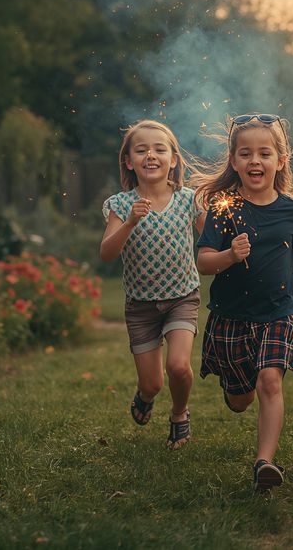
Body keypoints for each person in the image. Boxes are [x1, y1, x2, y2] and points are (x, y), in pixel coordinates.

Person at [193, 113, 293, 492]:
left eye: (264, 153)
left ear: (280, 160)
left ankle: (264, 462)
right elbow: (204, 262)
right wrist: (230, 256)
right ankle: (236, 389)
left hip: (279, 312)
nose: (255, 161)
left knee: (271, 380)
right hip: (231, 317)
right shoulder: (223, 208)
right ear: (234, 161)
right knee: (240, 400)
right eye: (246, 153)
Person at [98, 119, 203, 450]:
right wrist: (130, 221)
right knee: (153, 383)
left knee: (179, 366)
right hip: (141, 306)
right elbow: (106, 253)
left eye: (160, 149)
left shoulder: (188, 200)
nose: (151, 155)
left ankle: (180, 413)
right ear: (129, 161)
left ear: (173, 159)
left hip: (182, 298)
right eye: (141, 150)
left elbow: (213, 238)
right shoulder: (120, 204)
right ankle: (145, 396)